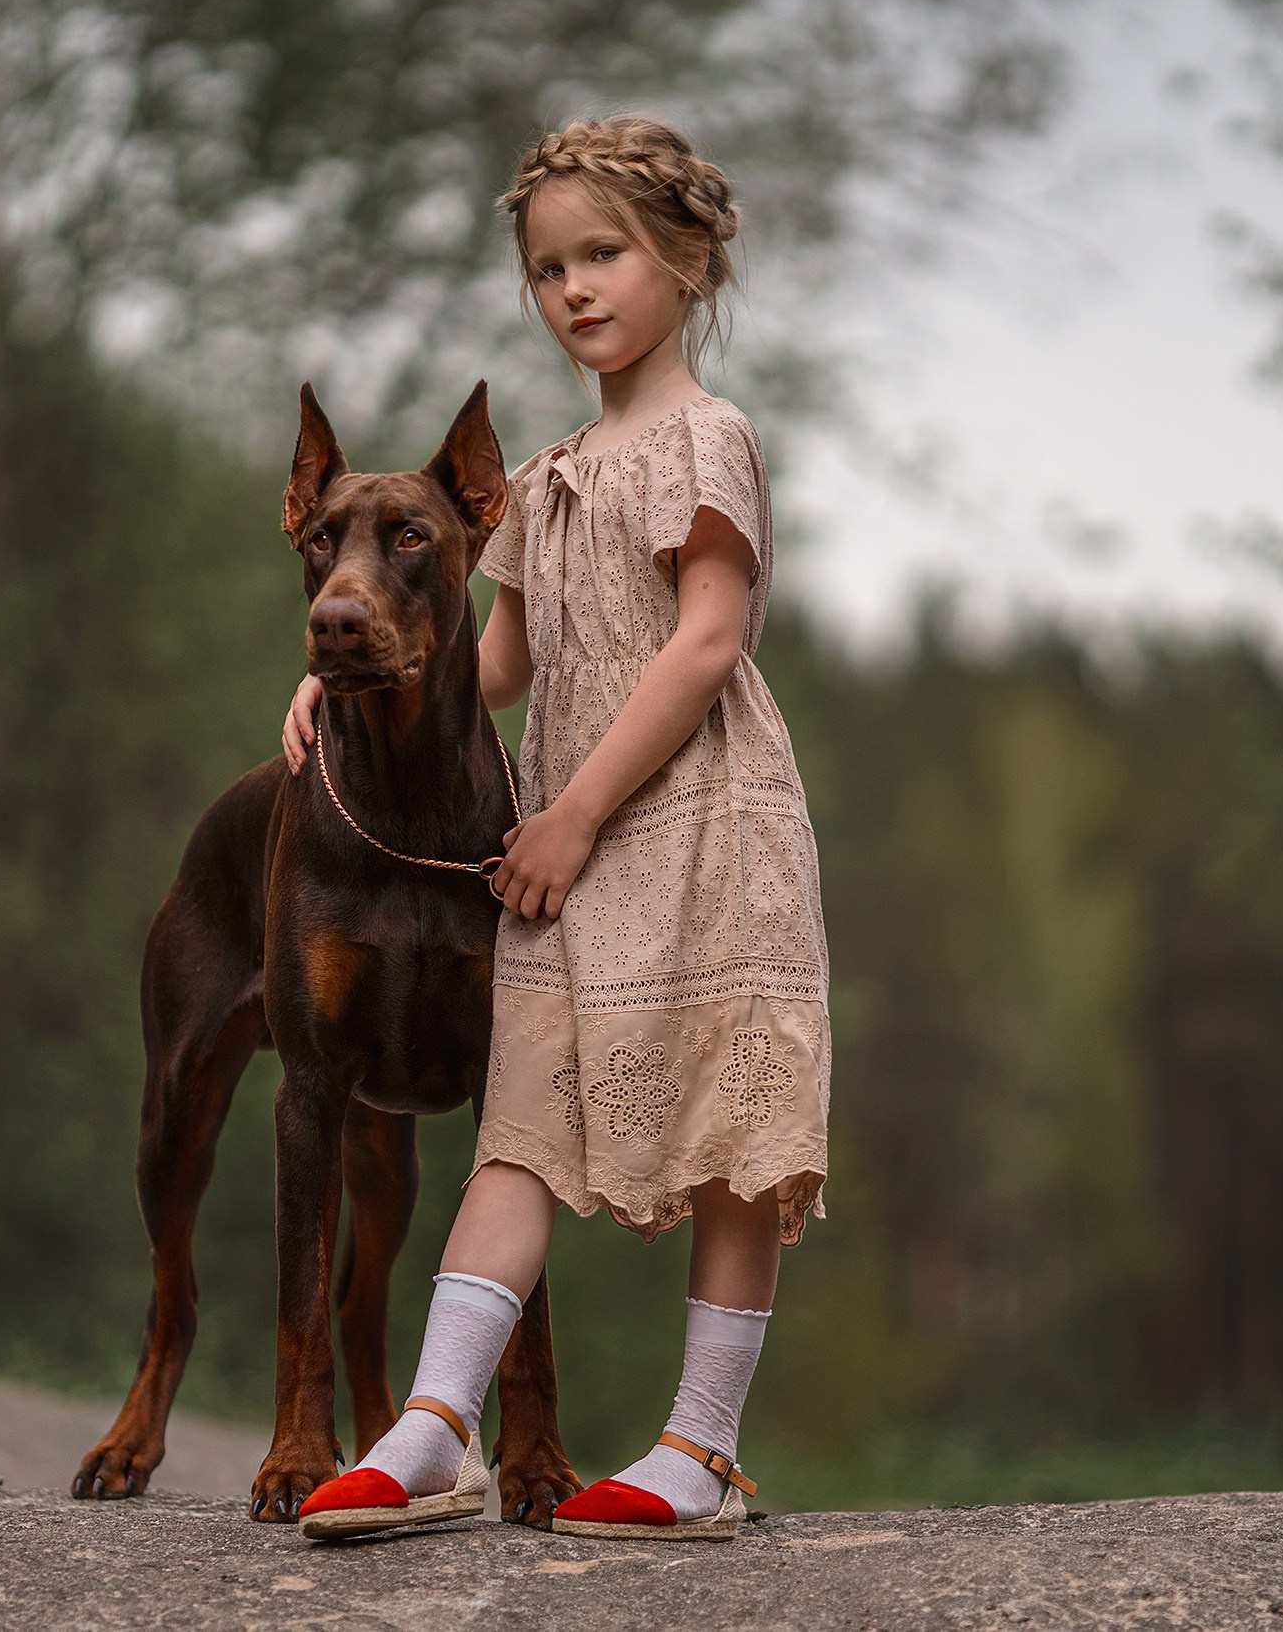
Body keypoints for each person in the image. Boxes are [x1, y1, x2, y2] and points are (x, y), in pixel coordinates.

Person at [279, 114, 831, 1541]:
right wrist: (336, 677)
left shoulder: (707, 441)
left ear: (689, 263)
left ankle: (698, 1453)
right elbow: (500, 661)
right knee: (516, 1129)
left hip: (694, 824)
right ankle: (432, 1432)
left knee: (724, 1138)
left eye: (606, 254)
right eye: (547, 268)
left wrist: (573, 815)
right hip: (562, 845)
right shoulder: (546, 475)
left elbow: (706, 643)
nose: (574, 287)